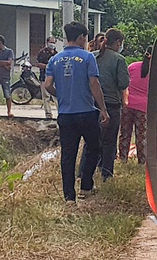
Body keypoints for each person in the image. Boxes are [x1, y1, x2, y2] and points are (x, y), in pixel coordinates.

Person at [44, 22, 110, 202]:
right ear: (81, 37)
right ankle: (86, 186)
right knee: (94, 148)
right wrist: (103, 109)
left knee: (68, 155)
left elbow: (48, 85)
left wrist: (61, 94)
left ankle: (69, 197)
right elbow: (94, 84)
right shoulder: (88, 58)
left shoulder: (54, 59)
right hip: (86, 112)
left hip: (65, 115)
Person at [80, 28, 129, 182]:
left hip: (91, 105)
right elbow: (123, 83)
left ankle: (82, 173)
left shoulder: (92, 56)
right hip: (111, 106)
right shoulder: (119, 59)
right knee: (109, 142)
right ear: (118, 43)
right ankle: (106, 174)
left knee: (90, 141)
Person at [119, 46, 151, 164]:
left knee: (125, 134)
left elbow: (125, 83)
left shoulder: (132, 66)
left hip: (128, 104)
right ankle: (142, 161)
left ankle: (123, 159)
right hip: (143, 107)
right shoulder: (155, 71)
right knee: (141, 136)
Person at [35, 36, 58, 119]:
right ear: (47, 42)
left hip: (55, 78)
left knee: (56, 96)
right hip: (44, 77)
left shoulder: (56, 54)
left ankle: (60, 112)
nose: (52, 44)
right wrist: (48, 66)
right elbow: (37, 64)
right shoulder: (42, 52)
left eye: (54, 42)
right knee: (46, 96)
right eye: (51, 42)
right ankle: (48, 114)